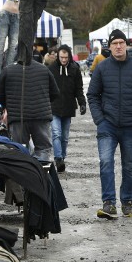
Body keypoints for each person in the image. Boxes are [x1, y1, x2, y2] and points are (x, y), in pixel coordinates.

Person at [87, 29, 132, 219]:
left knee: (129, 166)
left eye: (121, 42)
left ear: (126, 45)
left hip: (131, 126)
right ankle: (108, 203)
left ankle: (127, 202)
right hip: (107, 125)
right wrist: (99, 120)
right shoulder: (102, 68)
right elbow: (92, 95)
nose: (118, 46)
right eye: (114, 43)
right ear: (109, 47)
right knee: (106, 162)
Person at [0, 53, 59, 163]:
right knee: (43, 150)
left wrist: (8, 105)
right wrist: (42, 102)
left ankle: (23, 176)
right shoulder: (43, 69)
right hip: (41, 116)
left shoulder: (7, 70)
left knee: (19, 151)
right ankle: (41, 175)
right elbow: (55, 93)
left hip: (18, 118)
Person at [50, 44, 86, 173]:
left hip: (68, 106)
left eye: (66, 57)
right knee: (56, 133)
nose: (64, 60)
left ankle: (62, 157)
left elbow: (78, 88)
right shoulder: (51, 69)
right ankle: (58, 158)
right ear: (58, 56)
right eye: (61, 57)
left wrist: (82, 103)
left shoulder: (75, 69)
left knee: (64, 136)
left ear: (69, 56)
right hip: (54, 107)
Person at [0, 0, 19, 92]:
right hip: (7, 12)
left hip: (17, 15)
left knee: (12, 47)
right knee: (1, 46)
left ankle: (7, 79)